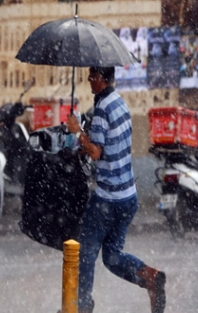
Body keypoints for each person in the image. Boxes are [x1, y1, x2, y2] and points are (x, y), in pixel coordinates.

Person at [66, 66, 166, 313]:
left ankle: (82, 307)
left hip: (107, 200)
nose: (89, 80)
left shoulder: (101, 110)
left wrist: (77, 132)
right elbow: (110, 145)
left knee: (85, 254)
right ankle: (149, 277)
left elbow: (97, 152)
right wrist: (87, 141)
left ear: (101, 79)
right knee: (111, 257)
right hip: (128, 197)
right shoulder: (120, 103)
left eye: (92, 76)